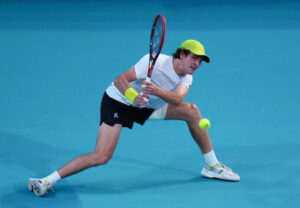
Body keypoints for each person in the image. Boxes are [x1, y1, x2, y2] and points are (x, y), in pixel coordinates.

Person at [28, 39, 240, 197]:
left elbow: (177, 99)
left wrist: (154, 92)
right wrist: (133, 95)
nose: (197, 64)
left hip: (146, 106)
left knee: (191, 110)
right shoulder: (154, 62)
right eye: (194, 58)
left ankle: (212, 166)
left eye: (201, 61)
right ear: (182, 54)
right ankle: (46, 180)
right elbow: (120, 79)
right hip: (118, 102)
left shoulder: (187, 77)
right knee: (102, 156)